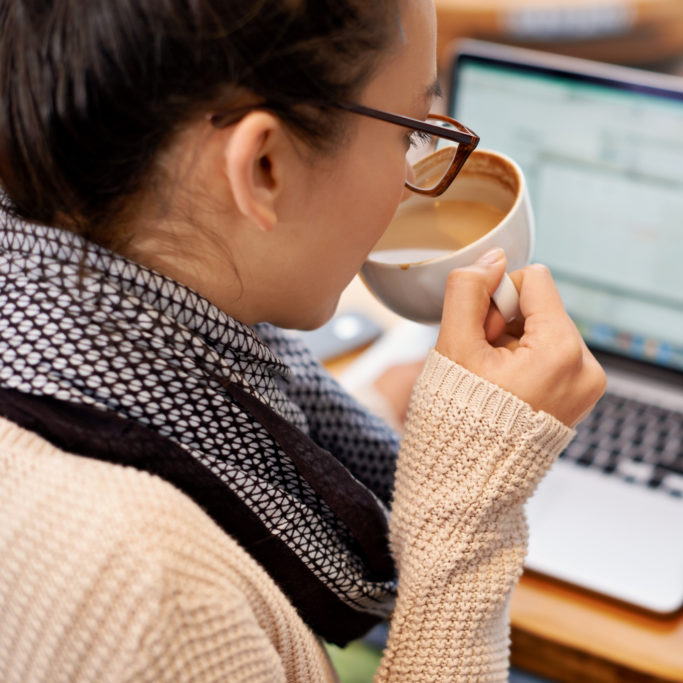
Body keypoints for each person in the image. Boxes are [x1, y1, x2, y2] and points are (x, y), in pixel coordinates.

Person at [0, 0, 606, 680]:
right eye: (410, 133)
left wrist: (378, 404)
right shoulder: (155, 592)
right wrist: (465, 524)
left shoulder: (50, 307)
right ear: (263, 166)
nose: (416, 173)